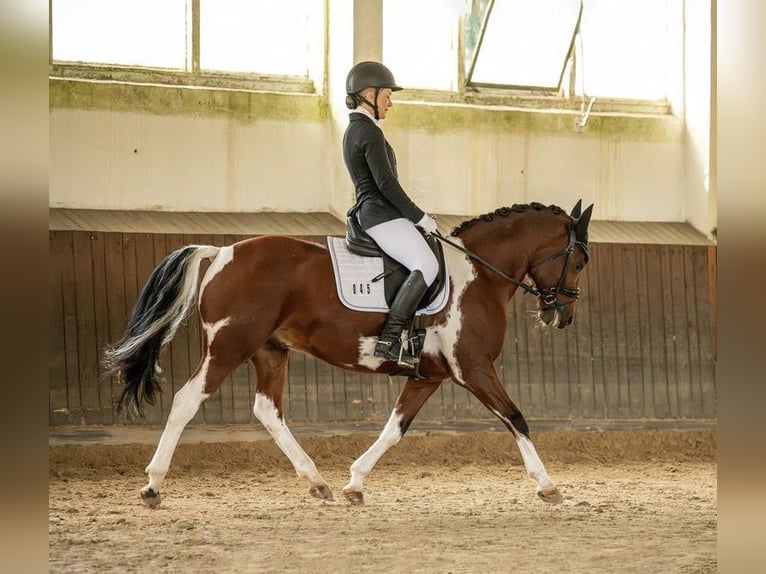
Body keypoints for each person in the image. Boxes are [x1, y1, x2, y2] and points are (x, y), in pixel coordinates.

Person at [342, 61, 439, 367]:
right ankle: (391, 338)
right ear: (368, 94)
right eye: (387, 96)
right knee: (426, 263)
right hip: (380, 214)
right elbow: (386, 184)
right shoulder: (366, 131)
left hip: (379, 213)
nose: (390, 103)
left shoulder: (361, 129)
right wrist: (419, 217)